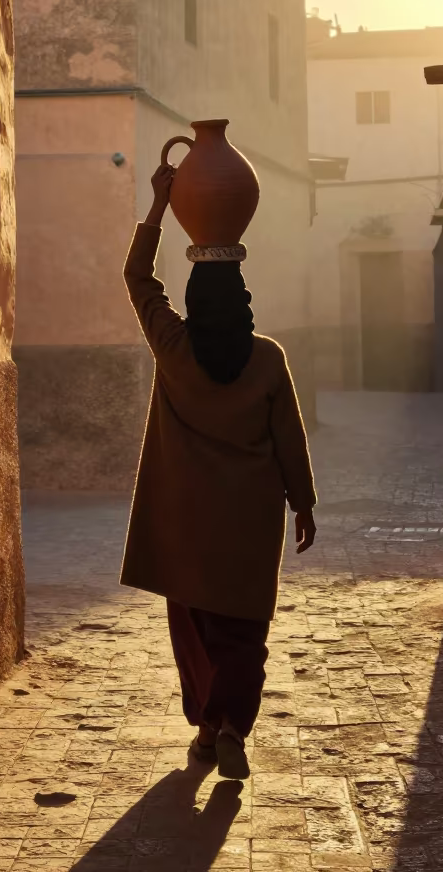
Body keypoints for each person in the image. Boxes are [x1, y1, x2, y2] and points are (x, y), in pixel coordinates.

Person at [120, 163, 317, 780]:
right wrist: (303, 504)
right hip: (251, 519)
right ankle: (229, 726)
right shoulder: (268, 359)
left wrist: (157, 205)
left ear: (195, 304)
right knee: (244, 629)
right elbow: (289, 435)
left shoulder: (172, 348)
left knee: (198, 627)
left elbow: (136, 277)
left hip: (186, 520)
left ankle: (209, 727)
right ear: (244, 303)